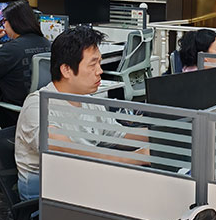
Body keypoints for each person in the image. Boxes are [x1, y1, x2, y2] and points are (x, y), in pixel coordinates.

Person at [14, 26, 148, 200]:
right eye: (93, 64)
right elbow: (66, 148)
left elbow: (119, 134)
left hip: (81, 179)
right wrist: (134, 157)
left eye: (99, 63)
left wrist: (162, 137)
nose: (100, 71)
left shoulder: (88, 100)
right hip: (46, 191)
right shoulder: (37, 105)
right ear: (66, 70)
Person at [0, 1, 50, 182]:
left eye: (4, 21)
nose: (3, 26)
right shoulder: (46, 43)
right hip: (40, 111)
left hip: (16, 113)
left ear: (13, 22)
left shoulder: (12, 49)